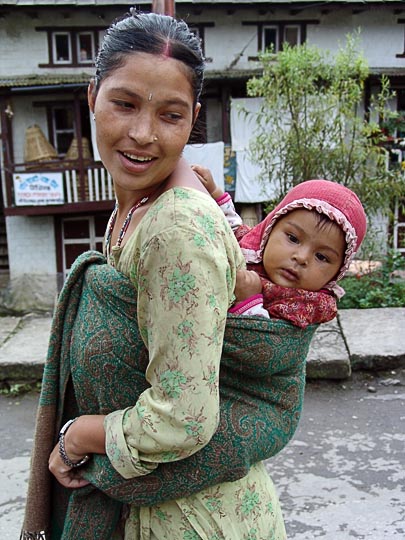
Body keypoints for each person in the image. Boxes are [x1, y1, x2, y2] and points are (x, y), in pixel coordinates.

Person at [21, 10, 307, 540]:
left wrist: (78, 436)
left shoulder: (175, 227)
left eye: (171, 116)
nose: (143, 134)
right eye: (124, 104)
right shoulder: (136, 206)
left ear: (193, 117)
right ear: (92, 97)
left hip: (188, 519)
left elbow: (183, 417)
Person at [192, 165, 367, 328]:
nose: (301, 257)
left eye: (321, 257)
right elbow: (231, 229)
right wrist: (214, 193)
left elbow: (268, 347)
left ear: (337, 273)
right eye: (293, 238)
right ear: (268, 230)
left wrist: (248, 301)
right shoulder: (251, 251)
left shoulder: (307, 304)